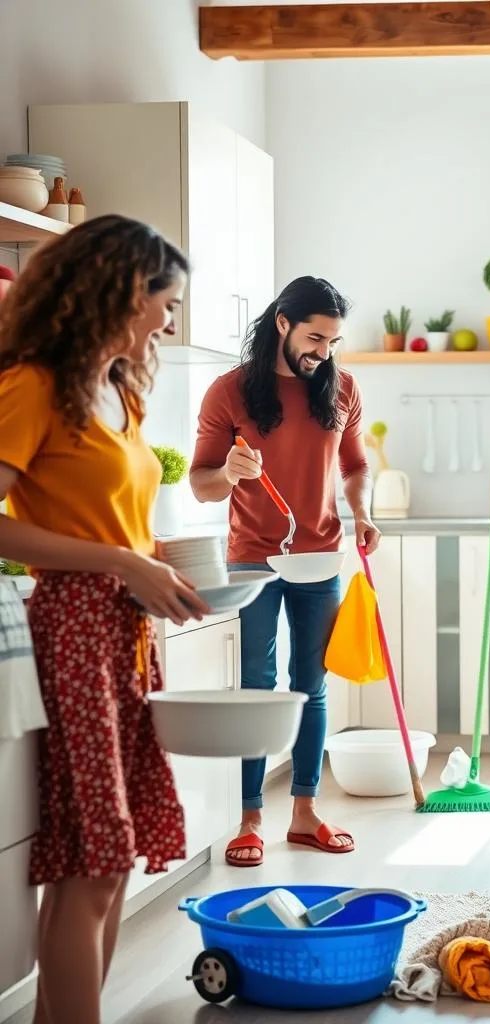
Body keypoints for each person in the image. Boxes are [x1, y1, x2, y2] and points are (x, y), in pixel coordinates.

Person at [0, 215, 206, 1024]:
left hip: (124, 632)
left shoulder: (117, 390)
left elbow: (109, 521)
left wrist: (156, 557)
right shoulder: (33, 385)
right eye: (165, 302)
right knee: (91, 863)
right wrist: (123, 563)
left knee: (114, 862)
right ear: (121, 292)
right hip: (75, 629)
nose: (171, 320)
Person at [190, 276, 380, 867]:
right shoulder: (228, 392)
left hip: (320, 553)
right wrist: (230, 473)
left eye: (332, 341)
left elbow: (354, 465)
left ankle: (303, 812)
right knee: (255, 687)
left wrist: (362, 513)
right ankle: (249, 819)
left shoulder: (342, 387)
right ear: (281, 323)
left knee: (310, 687)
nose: (323, 351)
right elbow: (201, 485)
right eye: (315, 337)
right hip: (253, 558)